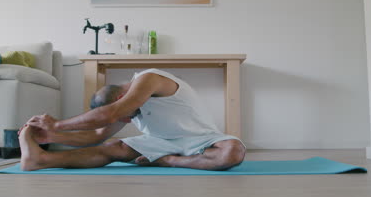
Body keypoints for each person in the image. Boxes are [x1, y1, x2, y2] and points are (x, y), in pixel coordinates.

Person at [20, 69, 246, 171]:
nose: (126, 121)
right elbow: (98, 134)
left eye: (124, 114)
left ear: (120, 98)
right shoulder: (124, 105)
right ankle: (40, 159)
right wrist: (53, 136)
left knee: (232, 152)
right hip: (159, 143)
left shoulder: (150, 78)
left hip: (201, 140)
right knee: (112, 147)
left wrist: (57, 123)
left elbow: (110, 114)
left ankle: (169, 161)